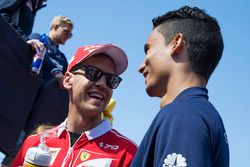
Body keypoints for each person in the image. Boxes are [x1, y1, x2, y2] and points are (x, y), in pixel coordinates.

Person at [131, 6, 229, 167]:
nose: (141, 66)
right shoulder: (202, 115)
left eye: (148, 50)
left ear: (176, 43)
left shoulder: (184, 115)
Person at [12, 44, 138, 166]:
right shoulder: (34, 142)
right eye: (93, 73)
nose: (102, 84)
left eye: (111, 79)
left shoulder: (129, 153)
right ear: (67, 80)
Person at [29, 15, 73, 86]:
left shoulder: (62, 58)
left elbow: (66, 79)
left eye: (70, 34)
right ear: (55, 27)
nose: (68, 36)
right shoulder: (37, 38)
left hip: (48, 95)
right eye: (66, 31)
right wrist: (55, 70)